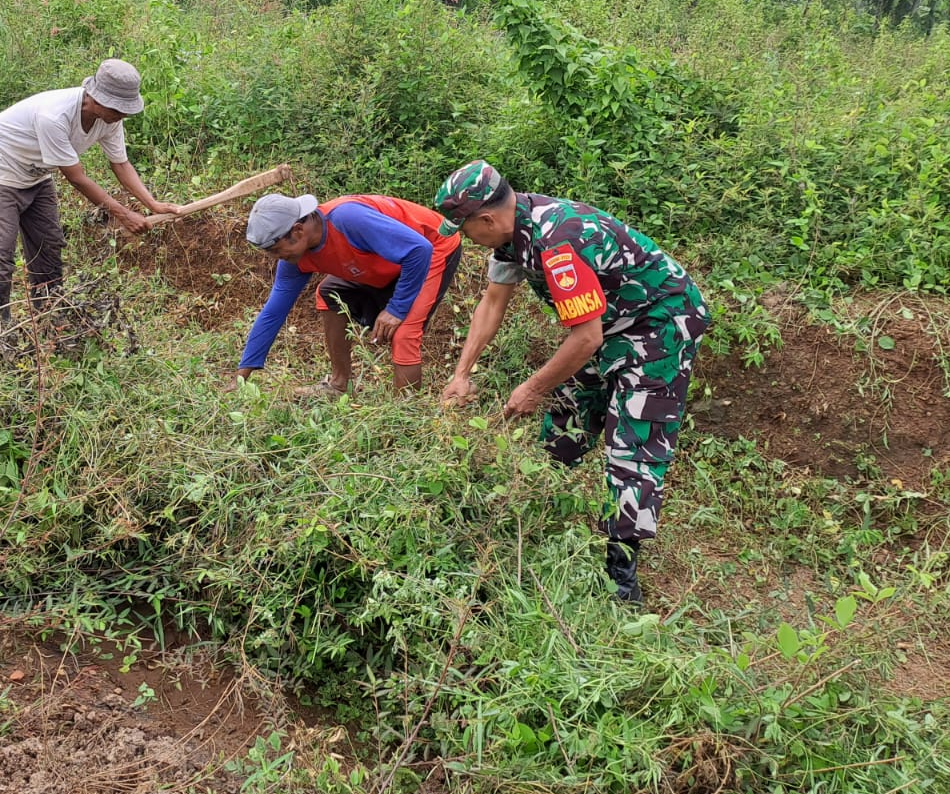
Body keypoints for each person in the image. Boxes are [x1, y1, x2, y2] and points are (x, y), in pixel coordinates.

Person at [432, 160, 710, 604]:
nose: (468, 239)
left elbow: (585, 338)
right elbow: (492, 302)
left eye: (466, 230)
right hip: (611, 322)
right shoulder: (511, 236)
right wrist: (461, 374)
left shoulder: (558, 242)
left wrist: (532, 387)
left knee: (634, 440)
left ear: (486, 219)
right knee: (571, 412)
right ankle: (542, 503)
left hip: (660, 321)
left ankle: (621, 577)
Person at [0, 58, 180, 318]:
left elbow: (121, 164)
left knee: (48, 245)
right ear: (96, 99)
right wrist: (123, 214)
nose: (123, 115)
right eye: (118, 108)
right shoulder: (53, 116)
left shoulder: (111, 119)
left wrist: (153, 204)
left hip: (37, 173)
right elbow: (77, 178)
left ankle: (50, 316)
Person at [237, 192, 462, 394]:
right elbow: (274, 311)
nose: (277, 258)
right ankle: (339, 385)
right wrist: (242, 375)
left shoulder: (348, 219)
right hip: (387, 258)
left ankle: (405, 413)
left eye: (277, 250)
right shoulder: (294, 260)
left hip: (431, 247)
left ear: (297, 230)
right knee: (329, 295)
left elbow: (419, 250)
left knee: (403, 332)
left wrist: (396, 309)